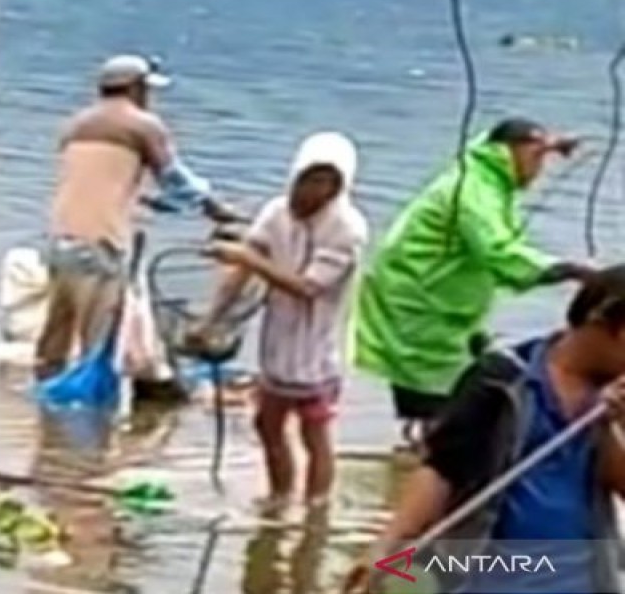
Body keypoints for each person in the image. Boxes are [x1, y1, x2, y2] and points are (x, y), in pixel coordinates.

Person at [343, 265, 625, 594]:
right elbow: (442, 469)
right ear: (599, 325)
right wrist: (386, 546)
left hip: (582, 577)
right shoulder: (502, 380)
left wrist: (610, 424)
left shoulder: (614, 400)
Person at [353, 117, 594, 444]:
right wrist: (569, 270)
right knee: (441, 402)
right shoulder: (473, 191)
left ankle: (421, 451)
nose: (539, 170)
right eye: (536, 158)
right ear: (508, 154)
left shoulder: (488, 174)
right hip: (421, 303)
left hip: (445, 304)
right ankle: (426, 461)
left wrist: (553, 144)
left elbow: (514, 143)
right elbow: (498, 253)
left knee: (458, 391)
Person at [33, 54, 239, 380]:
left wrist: (148, 203)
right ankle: (91, 424)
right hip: (101, 244)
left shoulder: (75, 125)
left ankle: (44, 415)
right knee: (98, 345)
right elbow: (175, 178)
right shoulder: (141, 125)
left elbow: (96, 182)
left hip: (60, 242)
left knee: (54, 339)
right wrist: (214, 207)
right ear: (135, 88)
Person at [198, 132, 369, 508]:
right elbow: (243, 268)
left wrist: (247, 259)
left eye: (326, 182)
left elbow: (308, 287)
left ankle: (316, 504)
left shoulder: (347, 229)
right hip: (278, 345)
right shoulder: (276, 213)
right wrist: (212, 318)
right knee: (267, 424)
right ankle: (279, 496)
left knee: (315, 432)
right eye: (310, 178)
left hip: (318, 351)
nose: (315, 189)